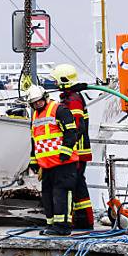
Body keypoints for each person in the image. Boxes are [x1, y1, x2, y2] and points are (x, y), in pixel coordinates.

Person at [25, 85, 79, 235]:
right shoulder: (35, 116)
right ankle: (51, 225)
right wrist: (34, 160)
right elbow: (35, 141)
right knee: (47, 195)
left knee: (62, 194)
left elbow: (71, 132)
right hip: (47, 165)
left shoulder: (60, 110)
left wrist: (66, 152)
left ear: (45, 97)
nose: (37, 105)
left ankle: (63, 227)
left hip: (63, 163)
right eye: (34, 103)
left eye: (39, 101)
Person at [51, 64, 94, 229]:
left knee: (73, 184)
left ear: (63, 80)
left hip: (77, 150)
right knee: (78, 184)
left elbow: (76, 126)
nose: (54, 84)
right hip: (77, 150)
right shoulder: (71, 97)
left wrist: (68, 147)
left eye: (56, 81)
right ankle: (84, 220)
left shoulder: (73, 100)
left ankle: (80, 221)